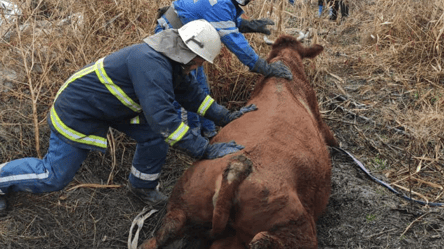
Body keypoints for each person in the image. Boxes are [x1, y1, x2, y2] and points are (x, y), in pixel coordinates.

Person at [0, 20, 258, 214]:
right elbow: (164, 120)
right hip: (79, 110)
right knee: (54, 176)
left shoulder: (171, 62)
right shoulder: (150, 63)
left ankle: (141, 187)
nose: (200, 66)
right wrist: (204, 150)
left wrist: (226, 117)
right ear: (190, 53)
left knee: (154, 139)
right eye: (200, 61)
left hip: (110, 108)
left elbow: (193, 96)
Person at [156, 0, 293, 139]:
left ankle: (209, 132)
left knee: (201, 89)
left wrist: (250, 25)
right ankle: (192, 138)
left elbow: (220, 19)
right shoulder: (220, 6)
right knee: (187, 95)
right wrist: (265, 68)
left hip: (188, 40)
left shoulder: (222, 3)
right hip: (175, 40)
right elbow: (237, 44)